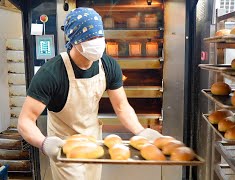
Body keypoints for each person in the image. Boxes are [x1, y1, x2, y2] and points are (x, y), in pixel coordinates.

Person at [18, 7, 162, 180]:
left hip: (94, 142)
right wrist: (44, 143)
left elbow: (122, 107)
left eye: (100, 36)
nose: (98, 41)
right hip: (64, 145)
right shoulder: (51, 73)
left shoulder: (108, 66)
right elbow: (25, 120)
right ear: (75, 38)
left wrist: (140, 131)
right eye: (91, 37)